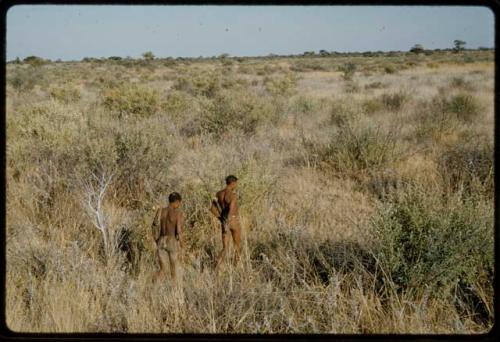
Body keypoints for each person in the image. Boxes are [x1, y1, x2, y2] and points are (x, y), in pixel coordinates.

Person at [152, 192, 184, 283]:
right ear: (177, 202)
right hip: (171, 241)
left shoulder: (160, 211)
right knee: (174, 268)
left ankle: (153, 287)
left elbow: (154, 226)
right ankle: (174, 290)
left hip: (161, 240)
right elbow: (179, 231)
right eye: (179, 203)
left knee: (163, 269)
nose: (179, 205)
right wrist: (183, 246)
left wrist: (156, 239)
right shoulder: (177, 213)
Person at [213, 175, 241, 270]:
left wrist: (221, 219)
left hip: (224, 221)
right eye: (236, 183)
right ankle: (235, 267)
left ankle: (216, 266)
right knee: (237, 246)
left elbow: (212, 208)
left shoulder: (218, 194)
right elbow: (231, 209)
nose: (236, 185)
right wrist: (229, 221)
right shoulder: (233, 195)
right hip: (232, 221)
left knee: (225, 248)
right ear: (233, 183)